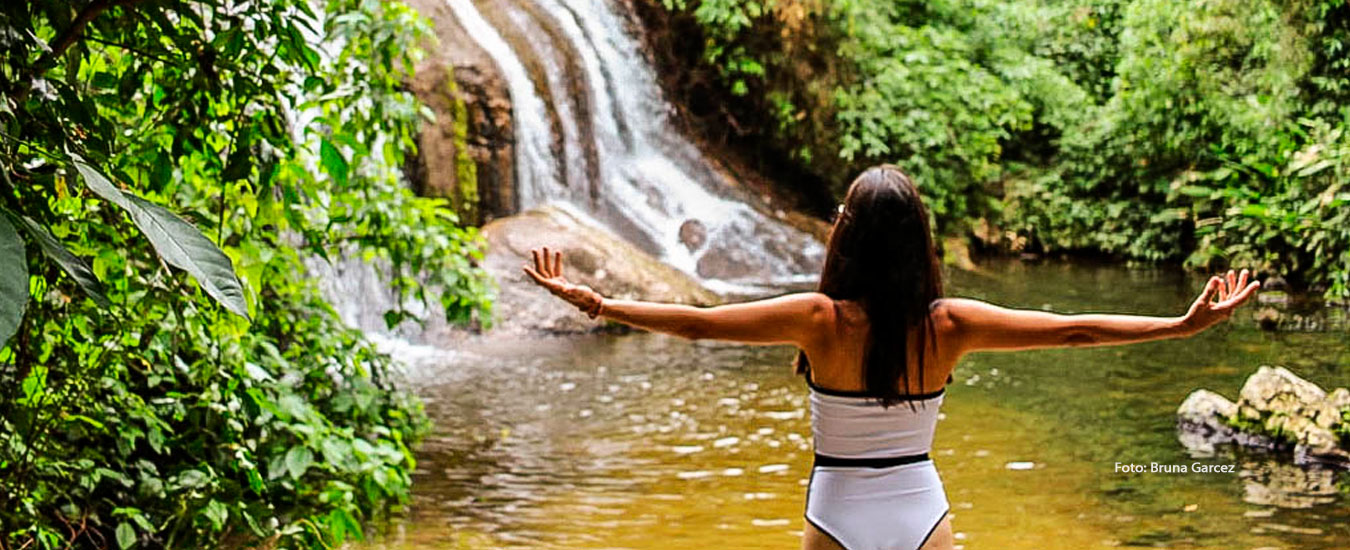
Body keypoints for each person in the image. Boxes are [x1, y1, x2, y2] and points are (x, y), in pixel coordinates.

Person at [522, 164, 1261, 550]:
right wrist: (1180, 325)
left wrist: (601, 304)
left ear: (844, 235)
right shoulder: (951, 324)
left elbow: (700, 326)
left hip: (836, 510)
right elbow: (1074, 331)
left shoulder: (816, 319)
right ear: (921, 241)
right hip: (920, 511)